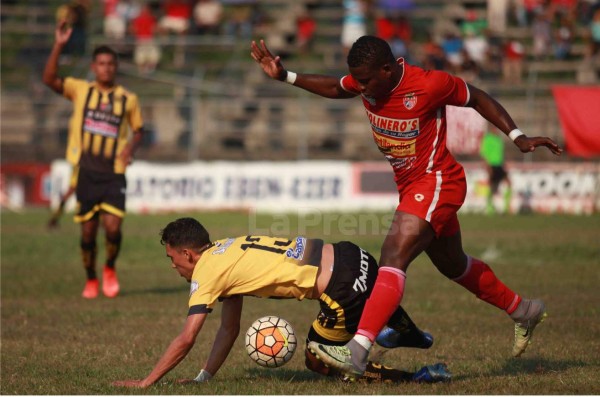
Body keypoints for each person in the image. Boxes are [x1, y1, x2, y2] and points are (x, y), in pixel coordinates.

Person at [250, 35, 563, 380]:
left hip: (438, 180)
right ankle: (524, 310)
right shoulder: (366, 81)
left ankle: (356, 350)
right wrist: (286, 76)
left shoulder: (429, 84)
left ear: (387, 69)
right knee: (453, 265)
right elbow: (337, 87)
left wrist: (518, 136)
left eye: (366, 80)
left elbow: (478, 98)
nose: (361, 87)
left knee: (393, 253)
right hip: (412, 188)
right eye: (358, 80)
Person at [113, 217, 451, 387]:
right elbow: (229, 329)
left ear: (188, 254)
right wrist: (204, 378)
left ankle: (417, 377)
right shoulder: (226, 248)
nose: (173, 266)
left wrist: (146, 382)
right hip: (354, 254)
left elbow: (187, 337)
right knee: (361, 304)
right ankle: (404, 332)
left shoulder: (207, 271)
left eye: (173, 259)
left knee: (319, 362)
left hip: (342, 287)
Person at [43, 21, 145, 299]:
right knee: (88, 234)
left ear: (116, 67)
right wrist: (59, 45)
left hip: (114, 173)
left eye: (111, 63)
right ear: (93, 67)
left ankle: (109, 268)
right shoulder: (80, 90)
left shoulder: (128, 99)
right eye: (101, 63)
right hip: (86, 171)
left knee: (113, 228)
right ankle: (91, 278)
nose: (107, 68)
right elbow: (50, 79)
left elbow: (138, 131)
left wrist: (130, 150)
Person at [480, 125, 512, 214]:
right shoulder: (487, 139)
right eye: (495, 128)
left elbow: (501, 153)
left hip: (500, 165)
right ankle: (489, 207)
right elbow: (484, 153)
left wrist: (504, 163)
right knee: (491, 186)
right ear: (491, 129)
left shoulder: (499, 139)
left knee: (509, 183)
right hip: (492, 165)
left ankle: (506, 207)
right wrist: (487, 166)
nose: (497, 130)